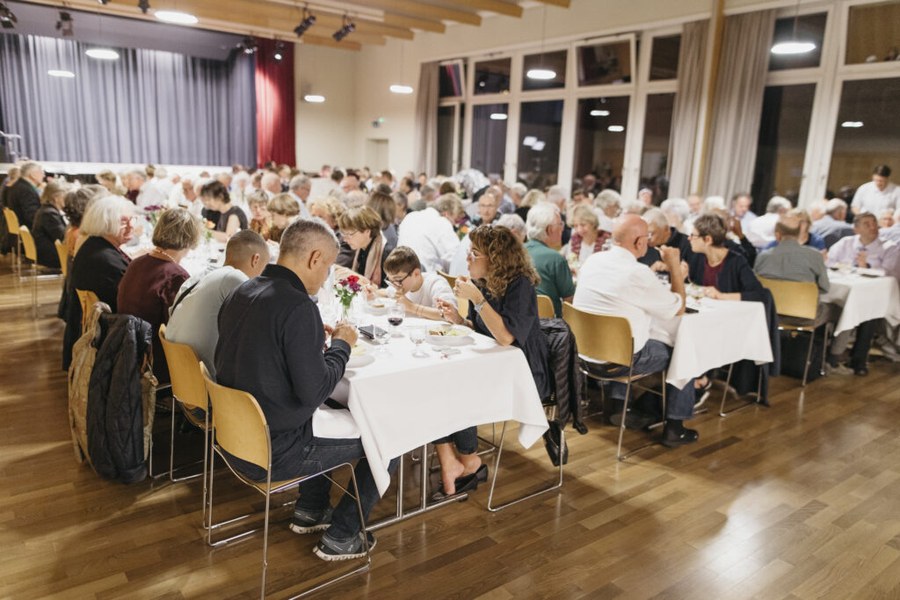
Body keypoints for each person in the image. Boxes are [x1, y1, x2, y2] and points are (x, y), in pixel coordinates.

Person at [215, 218, 396, 561]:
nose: (327, 276)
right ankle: (343, 535)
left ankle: (311, 509)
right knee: (388, 434)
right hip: (273, 450)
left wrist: (312, 342)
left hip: (235, 435)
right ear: (314, 258)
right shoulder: (297, 306)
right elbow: (313, 392)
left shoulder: (244, 289)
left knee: (334, 411)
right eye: (328, 267)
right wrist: (341, 345)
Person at [435, 225, 550, 493]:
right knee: (438, 380)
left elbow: (506, 337)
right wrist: (458, 319)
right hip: (495, 365)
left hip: (524, 373)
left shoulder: (519, 285)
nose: (468, 259)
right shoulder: (485, 282)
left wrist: (476, 299)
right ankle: (457, 459)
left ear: (495, 258)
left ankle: (467, 458)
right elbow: (481, 329)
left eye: (474, 253)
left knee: (451, 386)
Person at [572, 215, 698, 447]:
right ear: (640, 242)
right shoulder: (637, 273)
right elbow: (678, 307)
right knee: (684, 349)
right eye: (647, 238)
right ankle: (675, 427)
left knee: (631, 334)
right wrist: (674, 268)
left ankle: (619, 406)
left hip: (584, 354)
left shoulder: (593, 261)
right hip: (619, 360)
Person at [166, 231, 269, 380]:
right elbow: (263, 320)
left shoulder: (202, 275)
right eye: (263, 269)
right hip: (205, 379)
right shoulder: (234, 277)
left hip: (180, 373)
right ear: (255, 259)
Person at [117, 208, 201, 384]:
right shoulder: (175, 275)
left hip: (128, 349)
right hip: (153, 358)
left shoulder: (137, 262)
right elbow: (179, 330)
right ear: (190, 237)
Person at [62, 196, 136, 370]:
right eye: (124, 222)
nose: (131, 226)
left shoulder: (94, 245)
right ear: (105, 224)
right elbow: (127, 304)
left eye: (132, 219)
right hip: (111, 333)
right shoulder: (105, 261)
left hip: (91, 327)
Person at [824, 213, 886, 376]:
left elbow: (891, 272)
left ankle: (856, 360)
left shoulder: (888, 247)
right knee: (842, 307)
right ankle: (827, 355)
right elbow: (829, 263)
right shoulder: (845, 243)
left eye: (874, 223)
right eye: (867, 224)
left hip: (872, 295)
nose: (873, 227)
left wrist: (867, 266)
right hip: (839, 293)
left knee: (868, 311)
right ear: (856, 229)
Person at [687, 214, 765, 301]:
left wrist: (721, 296)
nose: (689, 238)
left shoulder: (737, 261)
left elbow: (758, 294)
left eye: (693, 235)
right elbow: (693, 287)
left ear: (708, 240)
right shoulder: (699, 257)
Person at [754, 213, 829, 294]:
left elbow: (754, 284)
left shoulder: (763, 256)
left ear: (777, 235)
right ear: (798, 235)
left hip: (769, 305)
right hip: (804, 304)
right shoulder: (815, 256)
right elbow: (825, 287)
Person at [524, 203, 575, 317]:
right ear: (550, 229)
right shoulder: (556, 259)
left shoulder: (515, 252)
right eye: (560, 224)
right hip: (551, 327)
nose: (562, 228)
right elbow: (570, 302)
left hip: (518, 323)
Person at [381, 246, 456, 320]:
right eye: (391, 281)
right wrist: (373, 291)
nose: (395, 285)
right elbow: (386, 292)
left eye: (398, 280)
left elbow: (449, 314)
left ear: (416, 273)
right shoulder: (398, 285)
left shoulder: (436, 283)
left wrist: (411, 307)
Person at [337, 206, 396, 288]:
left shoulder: (387, 253)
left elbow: (393, 291)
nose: (345, 239)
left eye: (350, 234)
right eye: (344, 234)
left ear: (367, 231)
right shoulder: (360, 248)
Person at [396, 199, 460, 273]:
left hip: (400, 273)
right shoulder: (442, 222)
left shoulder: (409, 217)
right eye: (455, 220)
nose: (455, 225)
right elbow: (455, 258)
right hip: (425, 278)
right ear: (447, 214)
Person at [31, 181, 68, 270]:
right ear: (56, 198)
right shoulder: (49, 214)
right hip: (51, 257)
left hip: (47, 253)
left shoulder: (46, 210)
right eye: (65, 196)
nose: (67, 199)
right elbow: (63, 237)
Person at [561, 205, 609, 271]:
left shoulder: (607, 239)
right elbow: (571, 263)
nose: (579, 230)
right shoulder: (574, 240)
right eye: (575, 226)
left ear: (592, 223)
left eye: (583, 225)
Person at [7, 161, 43, 229]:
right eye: (41, 172)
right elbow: (32, 217)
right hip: (28, 229)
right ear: (33, 175)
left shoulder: (17, 185)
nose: (43, 175)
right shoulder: (26, 191)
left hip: (20, 227)